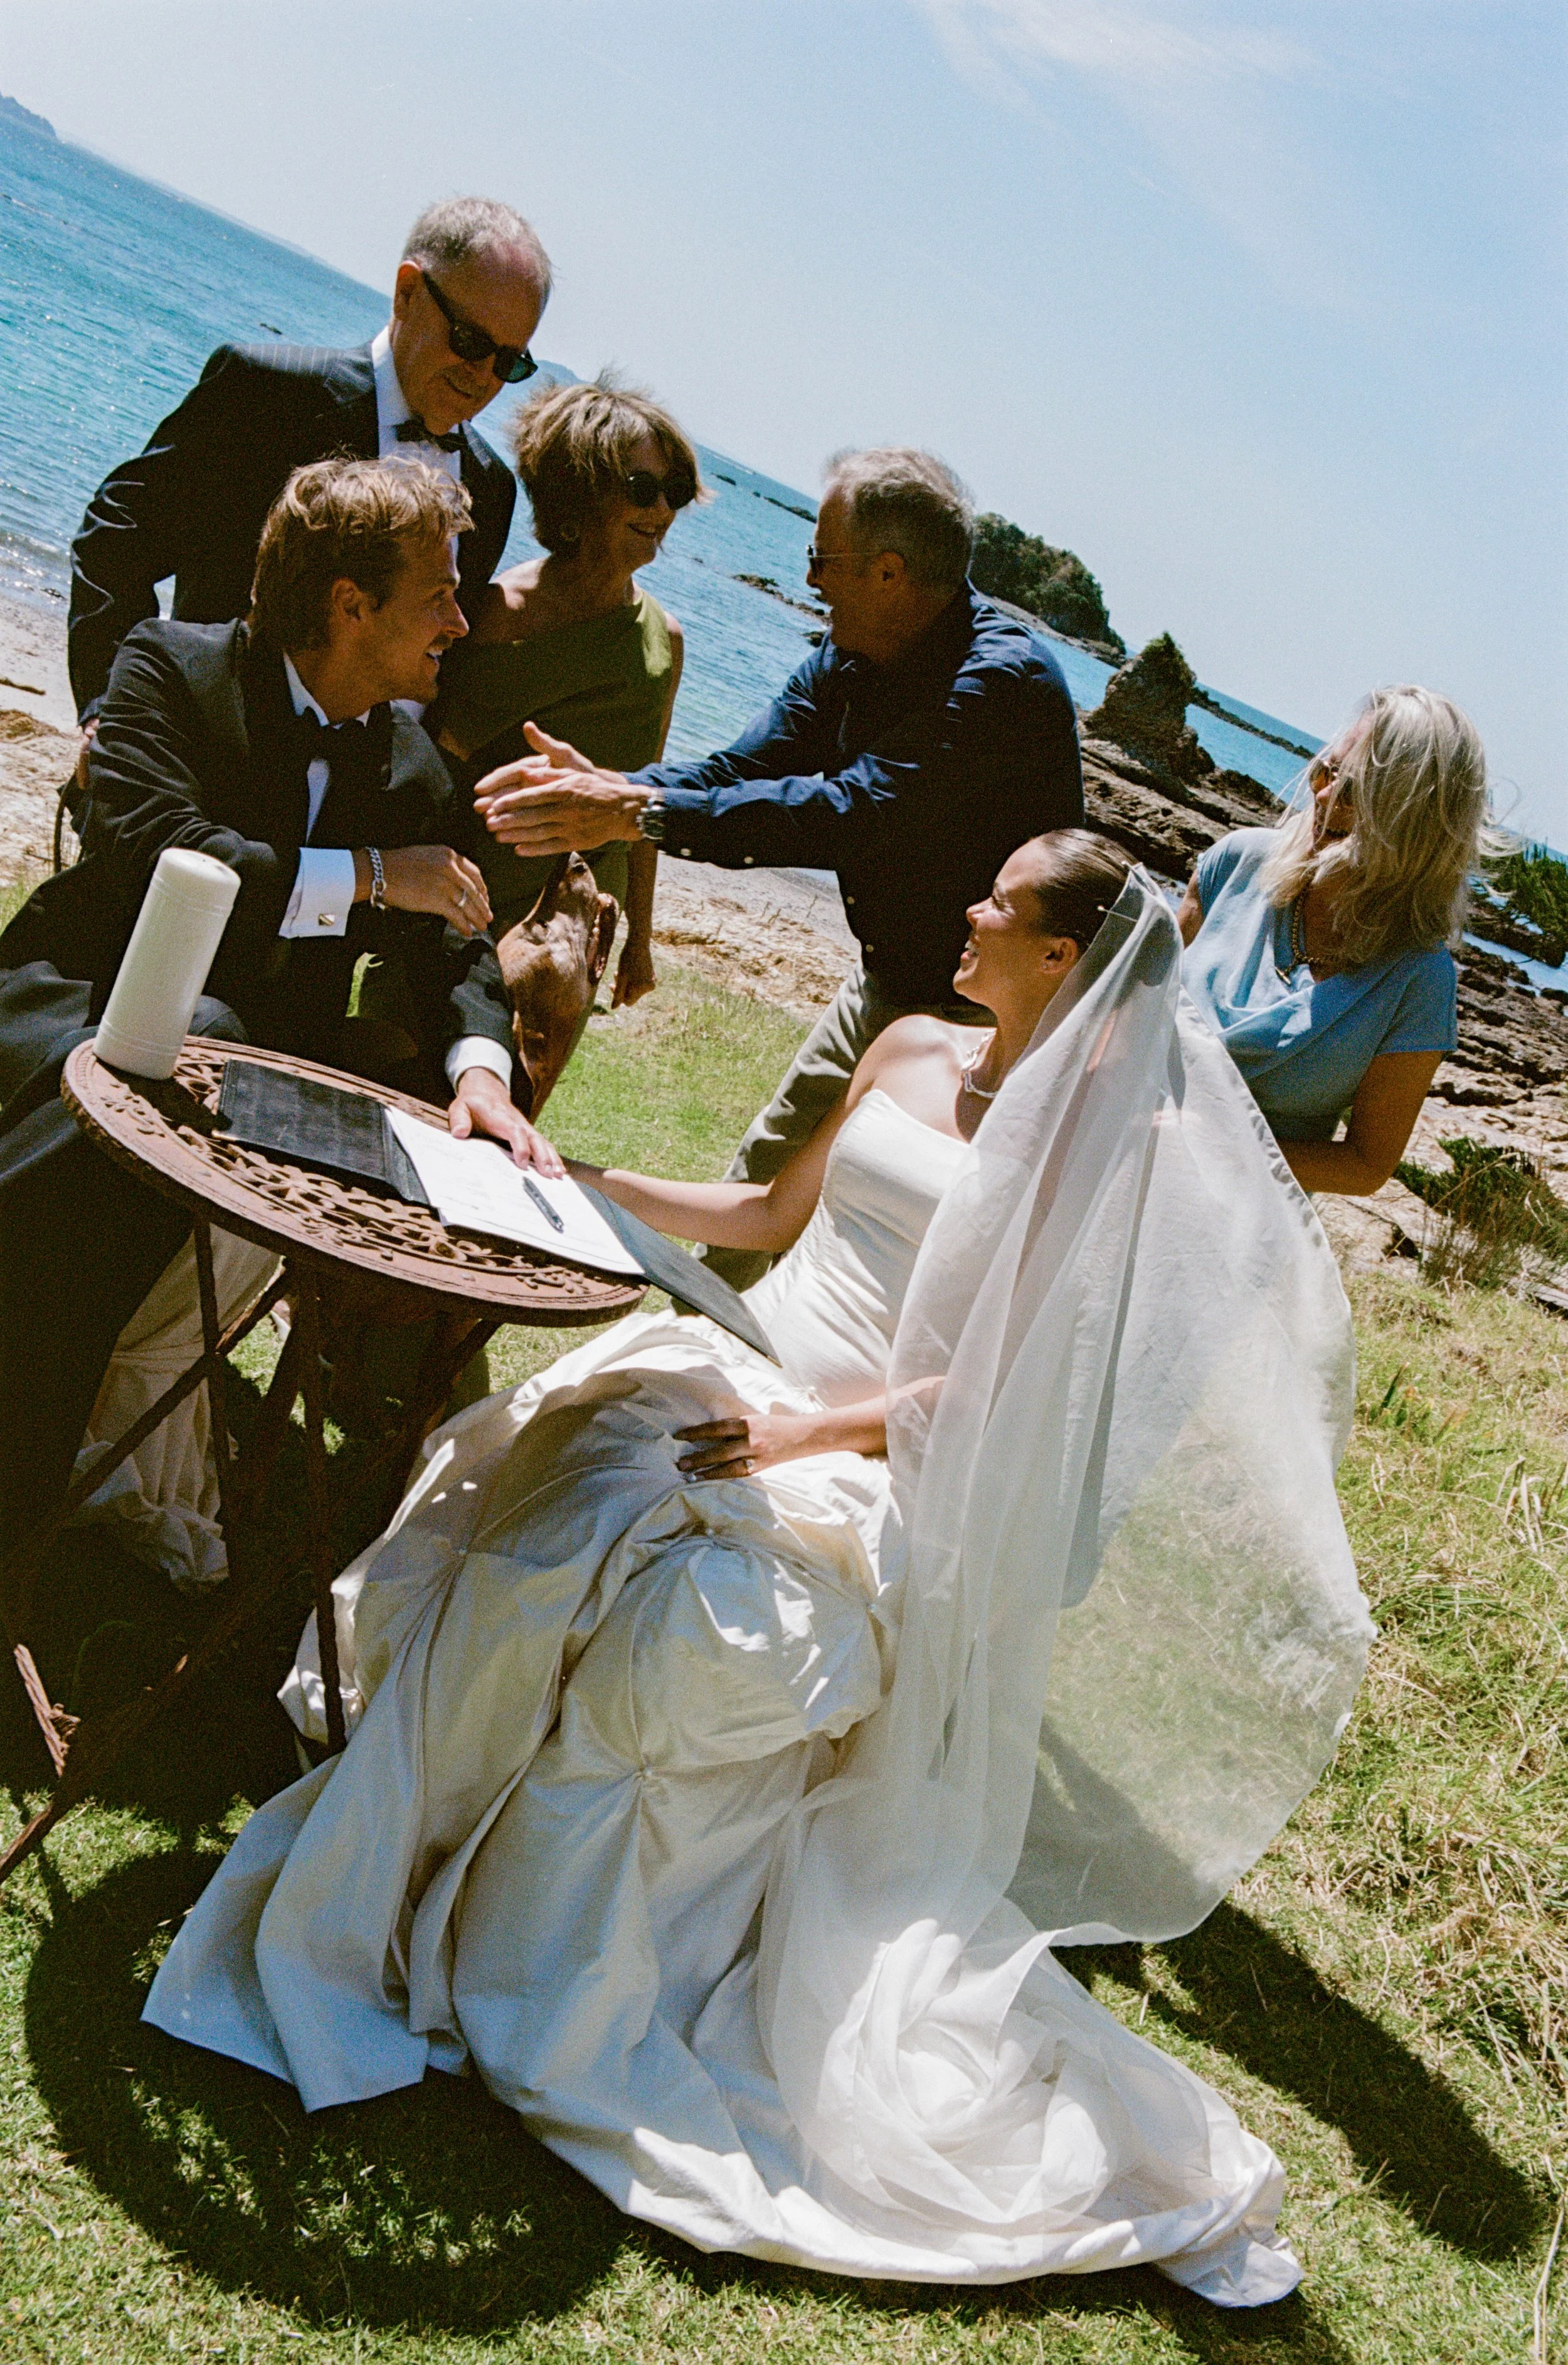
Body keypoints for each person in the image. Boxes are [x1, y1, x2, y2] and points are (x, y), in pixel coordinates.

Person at [144, 829, 1371, 2309]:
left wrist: (803, 1432)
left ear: (1063, 955)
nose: (967, 908)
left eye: (1000, 901)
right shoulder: (913, 1042)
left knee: (681, 1625)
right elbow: (766, 1221)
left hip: (863, 1454)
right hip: (733, 1361)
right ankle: (397, 1870)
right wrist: (579, 1179)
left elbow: (995, 1391)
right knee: (546, 1526)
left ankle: (523, 1955)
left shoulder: (1109, 1147)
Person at [0, 456, 557, 1573]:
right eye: (438, 592)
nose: (461, 617)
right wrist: (363, 874)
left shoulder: (401, 758)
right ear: (352, 606)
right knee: (127, 1104)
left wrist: (482, 1074)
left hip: (239, 1077)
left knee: (223, 1041)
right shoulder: (169, 665)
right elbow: (158, 851)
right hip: (78, 1004)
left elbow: (452, 939)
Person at [469, 445, 1086, 1283]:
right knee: (753, 1201)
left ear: (889, 573)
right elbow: (737, 772)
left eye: (820, 559)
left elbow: (853, 812)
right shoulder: (852, 656)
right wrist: (618, 786)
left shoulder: (1001, 683)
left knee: (886, 1254)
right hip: (888, 983)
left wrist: (635, 811)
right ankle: (694, 1385)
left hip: (997, 1027)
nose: (810, 582)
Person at [66, 194, 549, 795]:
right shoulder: (269, 393)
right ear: (407, 294)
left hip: (348, 819)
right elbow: (118, 534)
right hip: (198, 766)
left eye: (510, 363)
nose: (484, 377)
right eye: (470, 341)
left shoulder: (490, 487)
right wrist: (113, 712)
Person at [430, 373, 699, 1009]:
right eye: (641, 488)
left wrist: (639, 937)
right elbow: (436, 775)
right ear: (578, 495)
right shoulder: (502, 615)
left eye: (676, 491)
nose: (661, 510)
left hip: (580, 925)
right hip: (474, 915)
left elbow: (645, 797)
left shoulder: (666, 636)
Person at [1179, 684, 1488, 1195]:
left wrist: (1217, 1145)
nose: (1323, 795)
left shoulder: (1419, 979)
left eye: (1354, 789)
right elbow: (1129, 1011)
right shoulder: (1237, 864)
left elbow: (1366, 1164)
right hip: (1116, 1159)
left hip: (1241, 1227)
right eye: (1328, 771)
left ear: (1413, 823)